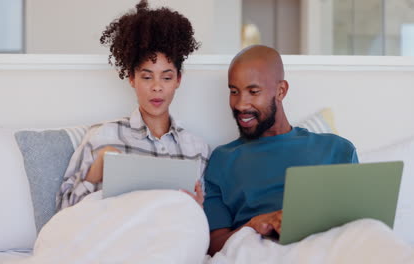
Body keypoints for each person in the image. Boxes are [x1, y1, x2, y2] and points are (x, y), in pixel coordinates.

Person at [203, 45, 358, 256]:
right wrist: (254, 224)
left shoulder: (337, 149)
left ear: (281, 91)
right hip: (260, 251)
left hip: (325, 249)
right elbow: (214, 246)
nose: (240, 104)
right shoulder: (222, 159)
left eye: (253, 91)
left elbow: (358, 226)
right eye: (234, 91)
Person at [56, 0, 210, 211]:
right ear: (132, 79)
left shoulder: (197, 149)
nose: (157, 87)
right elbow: (65, 212)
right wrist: (98, 167)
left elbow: (202, 225)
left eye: (166, 78)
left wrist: (198, 208)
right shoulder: (102, 136)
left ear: (178, 80)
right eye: (147, 77)